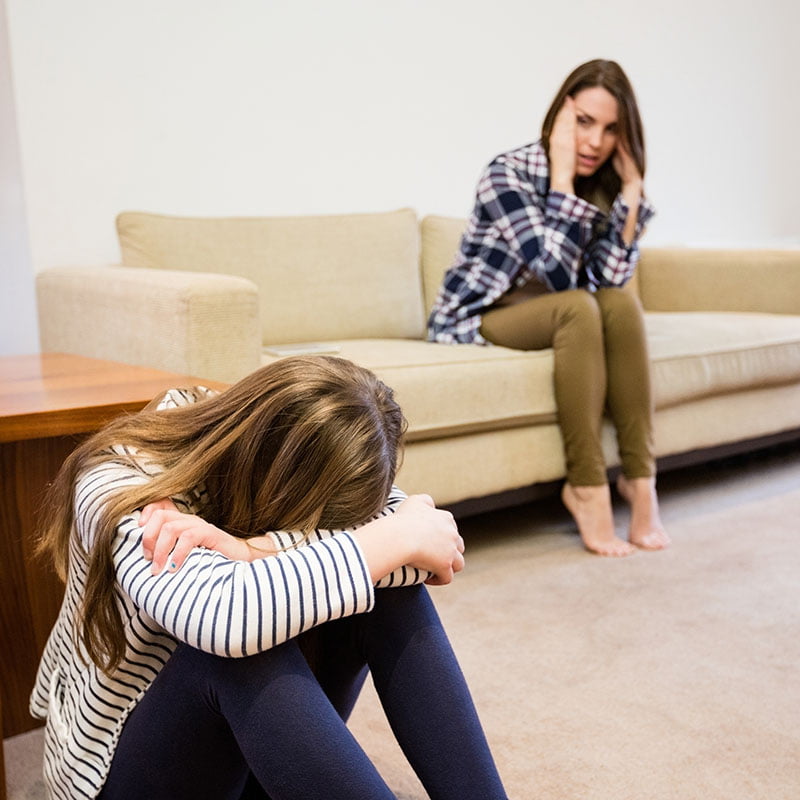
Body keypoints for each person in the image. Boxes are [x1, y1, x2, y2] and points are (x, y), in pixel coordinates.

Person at [31, 355, 508, 800]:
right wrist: (395, 537)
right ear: (277, 481)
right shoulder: (123, 483)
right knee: (238, 652)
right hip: (118, 770)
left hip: (251, 755)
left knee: (390, 592)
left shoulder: (259, 442)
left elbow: (426, 551)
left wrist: (252, 550)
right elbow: (222, 620)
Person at [428, 59, 670, 557]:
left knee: (620, 304)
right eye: (584, 122)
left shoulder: (603, 181)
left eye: (611, 130)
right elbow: (557, 274)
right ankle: (586, 487)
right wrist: (561, 182)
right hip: (482, 315)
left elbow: (610, 282)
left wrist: (630, 192)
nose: (595, 142)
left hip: (559, 312)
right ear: (561, 114)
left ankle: (641, 482)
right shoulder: (507, 173)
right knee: (578, 308)